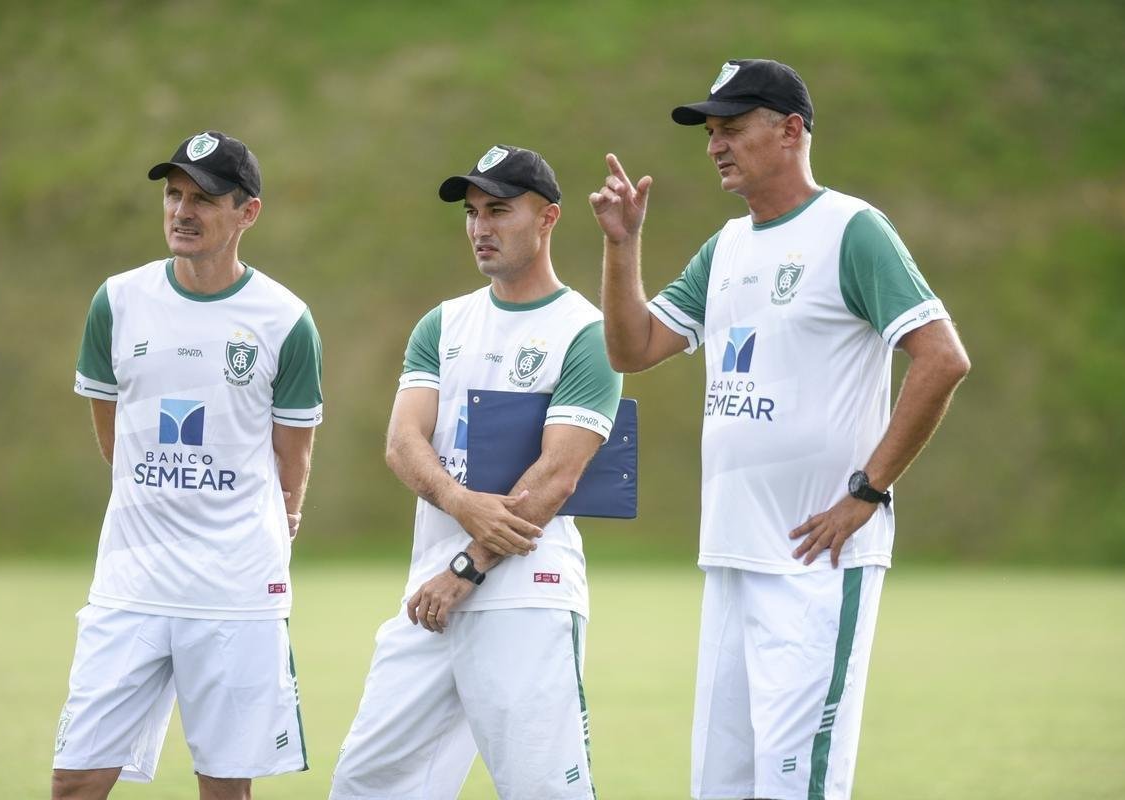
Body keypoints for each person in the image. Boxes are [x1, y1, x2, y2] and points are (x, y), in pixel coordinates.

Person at [590, 59, 971, 800]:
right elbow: (631, 351)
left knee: (799, 786)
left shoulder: (850, 230)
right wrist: (621, 245)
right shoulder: (726, 247)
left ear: (791, 129)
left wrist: (868, 490)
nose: (714, 146)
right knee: (721, 785)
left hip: (816, 563)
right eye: (710, 133)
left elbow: (942, 359)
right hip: (732, 557)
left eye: (731, 128)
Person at [329, 145, 621, 800]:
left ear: (547, 217)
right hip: (430, 595)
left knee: (542, 790)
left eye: (498, 210)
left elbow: (557, 477)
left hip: (525, 594)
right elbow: (403, 441)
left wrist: (468, 566)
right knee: (366, 783)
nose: (480, 228)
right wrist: (459, 503)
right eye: (471, 213)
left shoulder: (586, 333)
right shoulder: (443, 322)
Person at [53, 131, 323, 800]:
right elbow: (113, 430)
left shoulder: (285, 320)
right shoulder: (117, 302)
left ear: (247, 213)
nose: (182, 211)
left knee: (224, 790)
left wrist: (277, 517)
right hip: (131, 582)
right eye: (173, 195)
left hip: (234, 589)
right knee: (74, 781)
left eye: (203, 198)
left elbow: (295, 455)